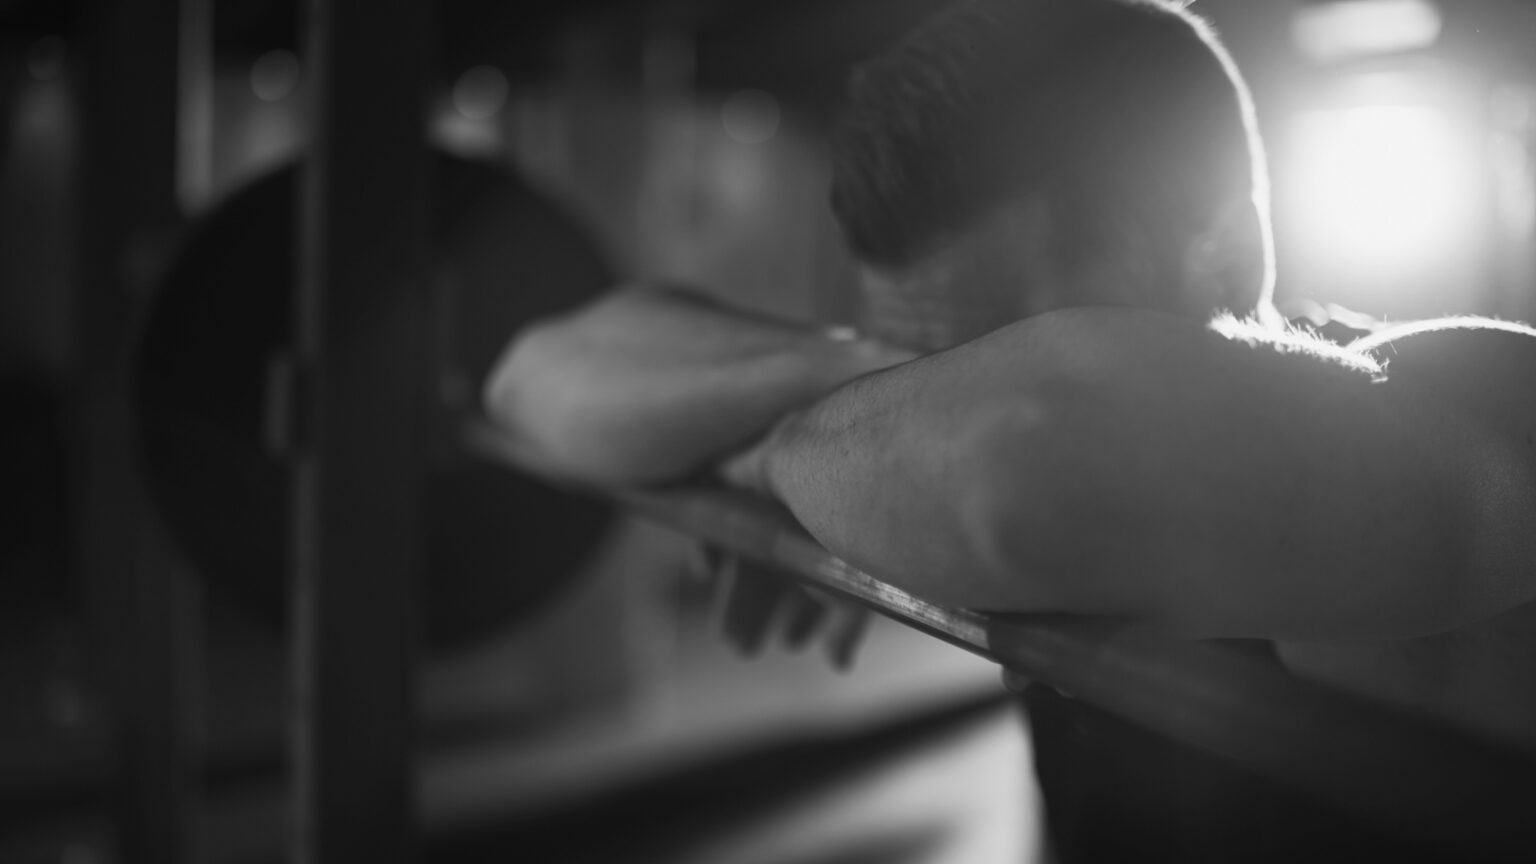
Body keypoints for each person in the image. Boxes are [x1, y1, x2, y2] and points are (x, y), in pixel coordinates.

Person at [485, 0, 1536, 858]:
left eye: (996, 349)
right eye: (912, 357)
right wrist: (855, 394)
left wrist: (783, 460)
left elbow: (1008, 470)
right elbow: (535, 376)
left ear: (1224, 258)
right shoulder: (945, 415)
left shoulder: (1481, 406)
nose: (924, 412)